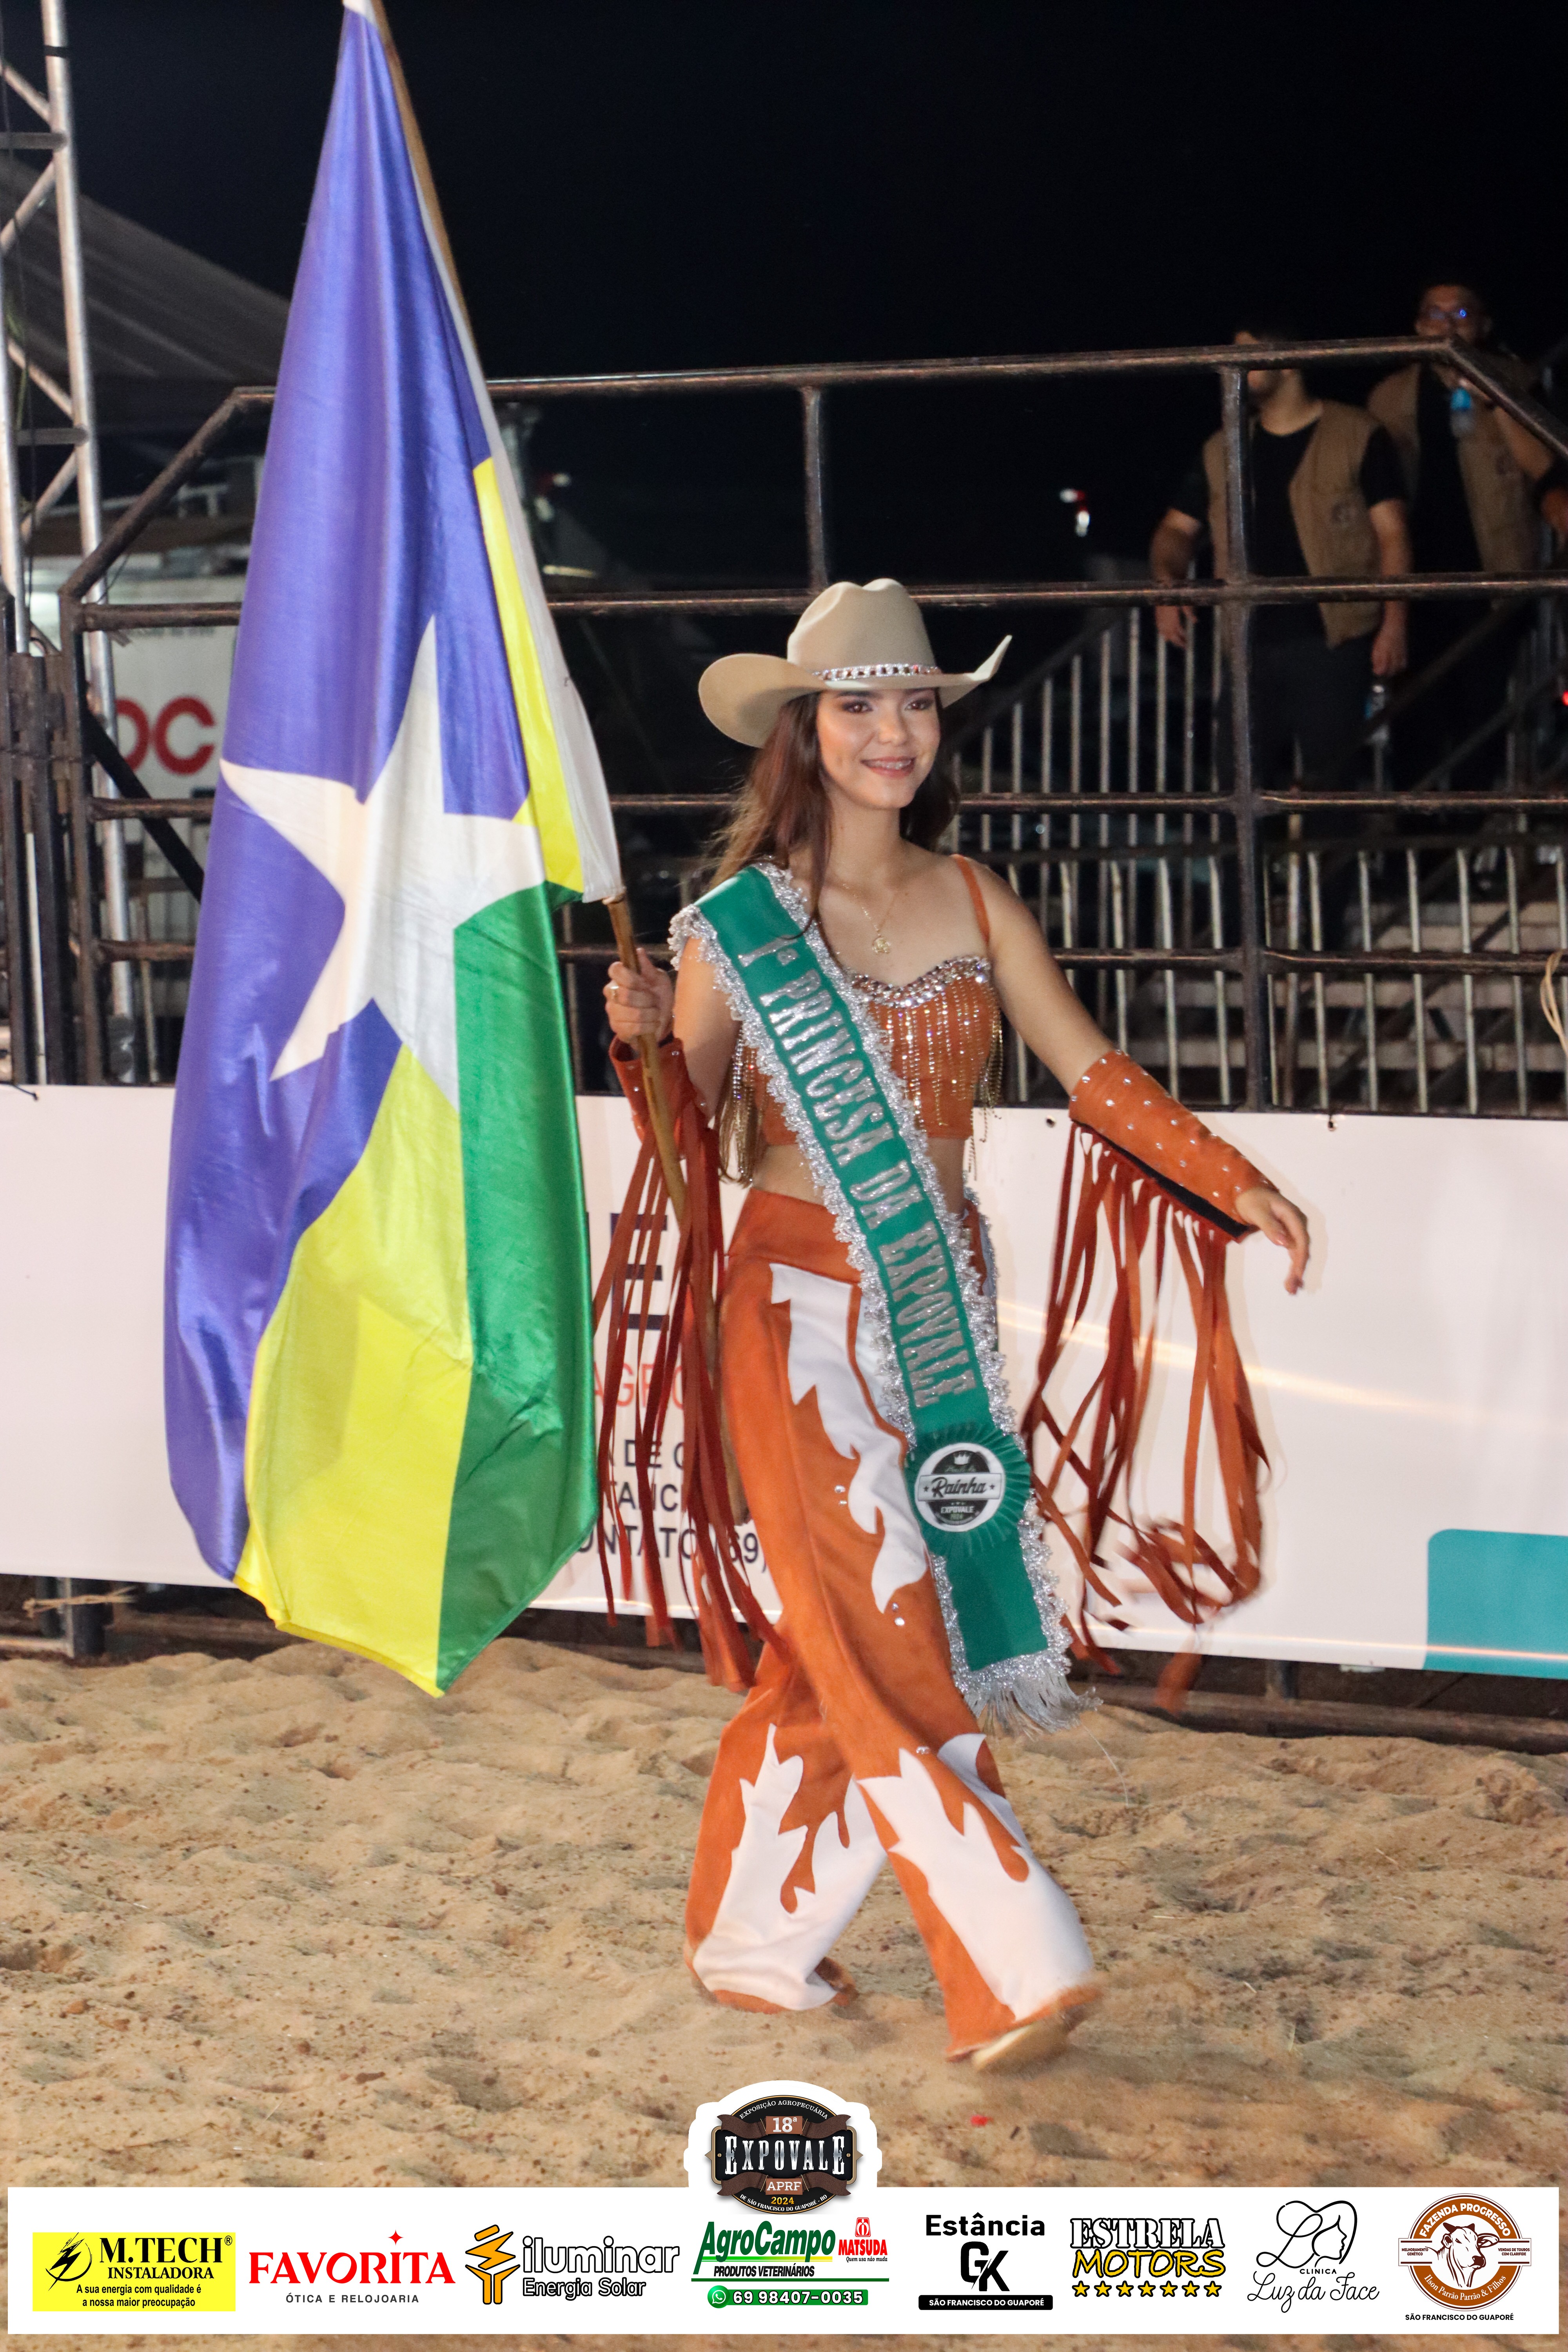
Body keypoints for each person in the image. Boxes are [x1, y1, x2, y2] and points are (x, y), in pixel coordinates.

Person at [602, 579, 1309, 2074]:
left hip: (936, 1306)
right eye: (861, 705)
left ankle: (749, 1940)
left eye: (917, 702)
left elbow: (1090, 1071)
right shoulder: (736, 927)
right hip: (789, 1307)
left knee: (843, 1642)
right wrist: (646, 1044)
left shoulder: (976, 896)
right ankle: (1014, 1960)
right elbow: (687, 1146)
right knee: (889, 1625)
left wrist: (1230, 1180)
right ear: (805, 729)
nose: (895, 731)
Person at [1151, 325, 1411, 789]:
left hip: (1334, 640)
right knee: (1239, 789)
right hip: (1249, 644)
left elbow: (1392, 534)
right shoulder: (1222, 447)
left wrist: (1394, 623)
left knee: (1331, 789)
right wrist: (1167, 581)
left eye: (1248, 356)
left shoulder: (1357, 433)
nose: (1235, 368)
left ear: (1288, 363)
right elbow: (1175, 529)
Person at [1368, 279, 1568, 791]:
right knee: (1415, 718)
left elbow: (1545, 467)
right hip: (1417, 581)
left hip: (1493, 576)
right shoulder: (1388, 397)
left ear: (1483, 324)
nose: (1446, 324)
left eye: (1459, 313)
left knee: (1480, 719)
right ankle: (1417, 833)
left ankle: (1471, 825)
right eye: (1433, 313)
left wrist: (1496, 399)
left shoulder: (1516, 381)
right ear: (1418, 326)